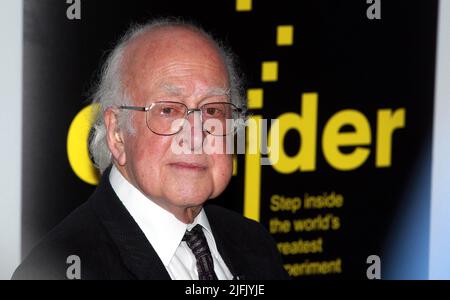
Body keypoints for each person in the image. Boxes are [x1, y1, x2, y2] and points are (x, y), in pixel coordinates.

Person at [12, 19, 289, 280]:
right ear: (117, 133)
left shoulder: (254, 243)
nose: (196, 136)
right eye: (168, 109)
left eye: (213, 110)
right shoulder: (58, 268)